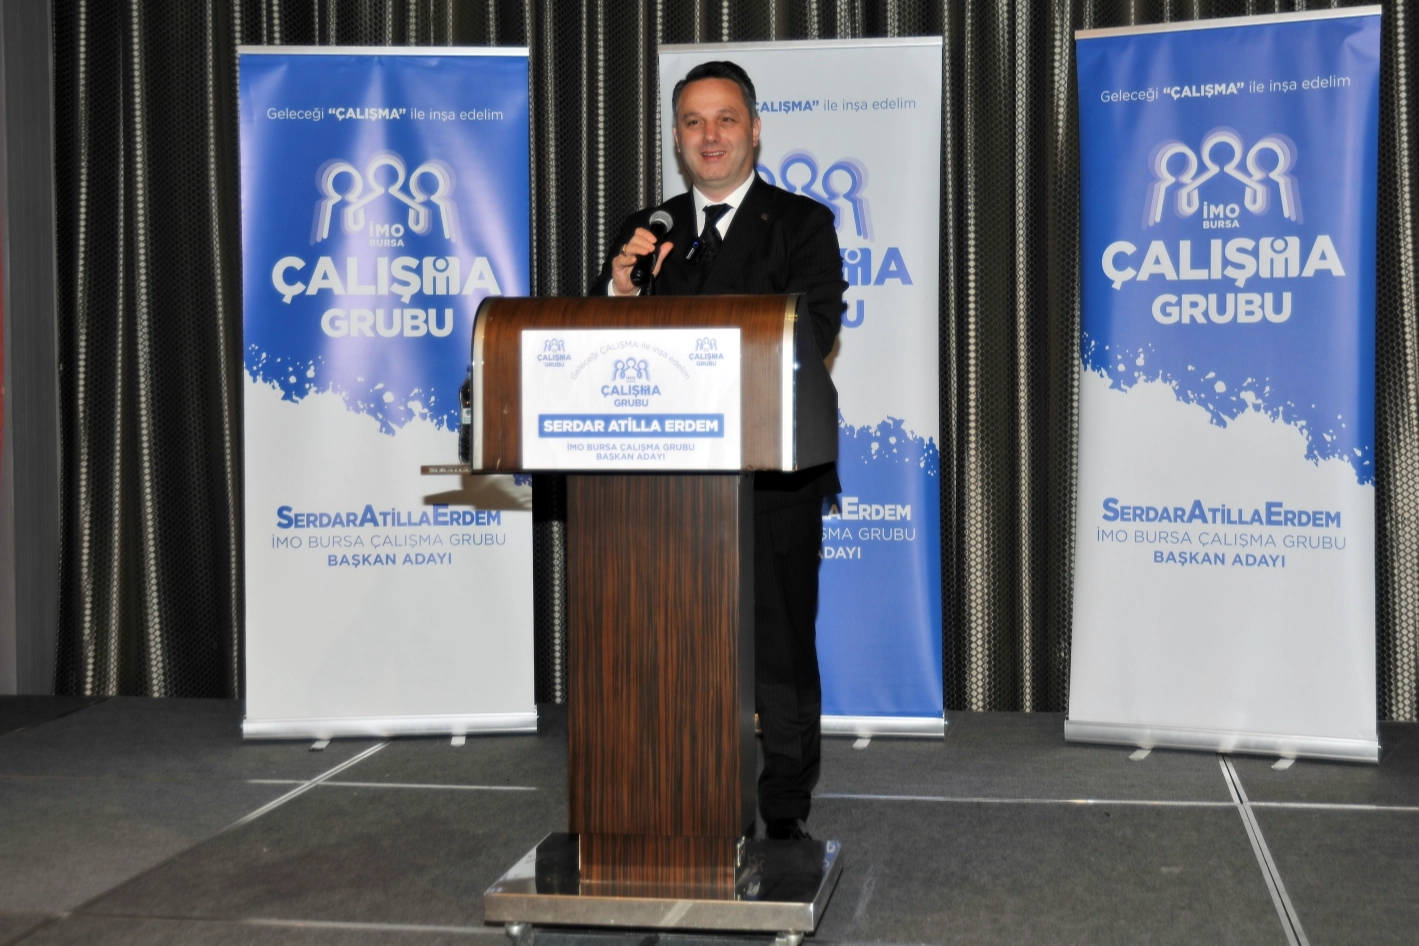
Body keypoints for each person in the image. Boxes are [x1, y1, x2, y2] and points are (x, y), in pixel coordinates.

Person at [590, 60, 847, 842]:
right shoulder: (649, 229)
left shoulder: (801, 223)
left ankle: (784, 805)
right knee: (670, 643)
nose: (710, 136)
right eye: (693, 121)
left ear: (754, 130)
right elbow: (594, 348)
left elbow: (812, 334)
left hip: (771, 474)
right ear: (676, 138)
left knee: (778, 648)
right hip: (660, 480)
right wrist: (622, 291)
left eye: (725, 119)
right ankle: (678, 785)